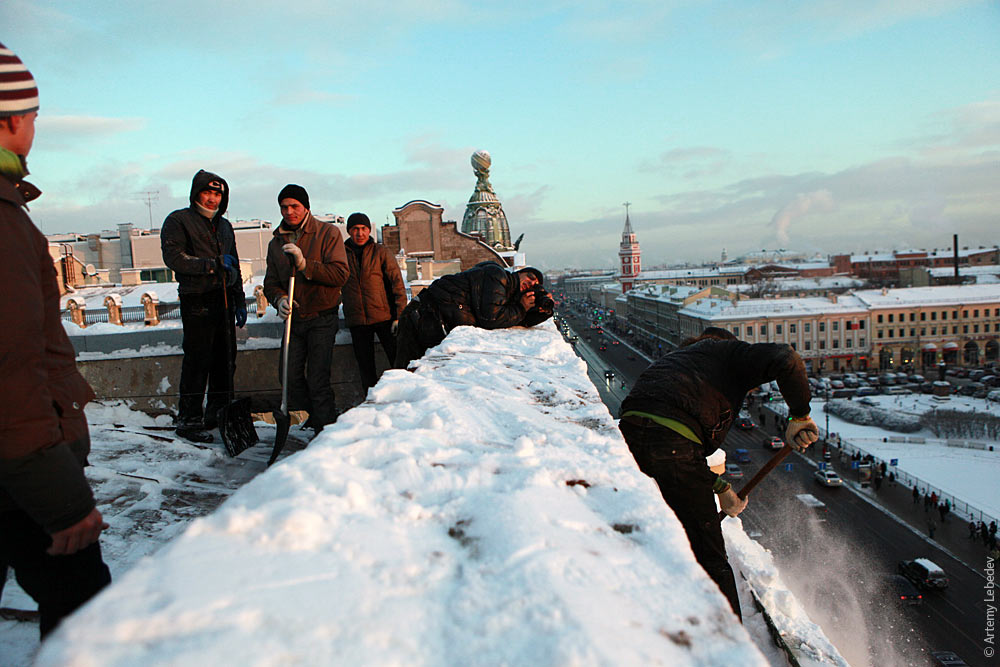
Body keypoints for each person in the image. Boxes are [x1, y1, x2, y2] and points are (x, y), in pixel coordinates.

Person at [0, 41, 111, 638]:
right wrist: (63, 499)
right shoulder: (2, 221)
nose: (36, 126)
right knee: (85, 608)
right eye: (34, 114)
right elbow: (12, 368)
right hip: (23, 468)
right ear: (12, 118)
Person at [618, 327, 818, 621]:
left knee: (664, 533)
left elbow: (669, 441)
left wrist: (722, 488)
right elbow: (786, 359)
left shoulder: (676, 360)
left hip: (629, 441)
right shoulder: (728, 353)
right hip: (672, 448)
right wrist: (799, 415)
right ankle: (728, 641)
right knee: (710, 557)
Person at [161, 170, 246, 442]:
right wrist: (211, 264)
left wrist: (239, 298)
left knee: (225, 361)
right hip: (197, 300)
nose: (212, 199)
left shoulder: (224, 226)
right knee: (199, 361)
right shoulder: (179, 221)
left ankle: (218, 413)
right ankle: (189, 419)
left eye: (217, 194)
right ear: (196, 193)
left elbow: (235, 262)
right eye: (207, 193)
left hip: (224, 300)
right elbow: (176, 258)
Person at [263, 184, 349, 432]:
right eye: (284, 207)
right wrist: (279, 299)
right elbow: (270, 282)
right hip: (295, 320)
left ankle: (325, 428)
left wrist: (304, 265)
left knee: (318, 378)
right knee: (288, 376)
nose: (289, 211)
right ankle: (315, 415)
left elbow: (340, 274)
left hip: (322, 316)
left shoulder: (327, 233)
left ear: (306, 208)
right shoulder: (275, 242)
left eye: (294, 206)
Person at [394, 261, 553, 369]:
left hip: (430, 320)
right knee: (406, 375)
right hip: (420, 318)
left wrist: (541, 312)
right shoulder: (498, 276)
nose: (531, 283)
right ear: (519, 273)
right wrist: (521, 307)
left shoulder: (507, 294)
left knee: (414, 375)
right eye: (530, 278)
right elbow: (491, 318)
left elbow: (514, 319)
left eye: (535, 285)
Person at [341, 212, 407, 391]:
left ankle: (404, 395)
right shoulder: (341, 254)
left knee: (398, 362)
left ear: (369, 230)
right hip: (358, 322)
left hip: (384, 318)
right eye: (355, 229)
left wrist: (400, 316)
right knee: (366, 370)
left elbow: (397, 285)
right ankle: (371, 404)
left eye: (363, 229)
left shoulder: (380, 252)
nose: (359, 233)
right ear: (349, 231)